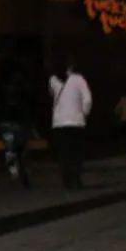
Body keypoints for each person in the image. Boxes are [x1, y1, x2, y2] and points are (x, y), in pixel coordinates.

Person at [48, 61, 92, 189]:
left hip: (59, 123)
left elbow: (53, 95)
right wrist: (84, 113)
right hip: (76, 122)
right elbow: (87, 99)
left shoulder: (53, 80)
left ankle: (67, 180)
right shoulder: (78, 79)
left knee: (64, 153)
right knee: (76, 153)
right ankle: (76, 179)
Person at [0, 61, 33, 188]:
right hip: (18, 121)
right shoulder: (22, 87)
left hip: (6, 121)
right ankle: (23, 173)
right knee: (21, 149)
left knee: (10, 150)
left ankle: (14, 174)